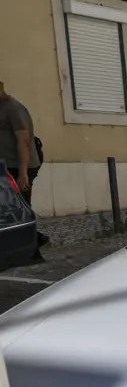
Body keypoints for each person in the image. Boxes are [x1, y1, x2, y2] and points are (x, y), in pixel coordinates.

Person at [0, 80, 48, 261]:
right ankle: (35, 239)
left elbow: (23, 141)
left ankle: (33, 252)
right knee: (10, 208)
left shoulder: (14, 109)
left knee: (21, 207)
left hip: (21, 165)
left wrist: (22, 174)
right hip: (6, 166)